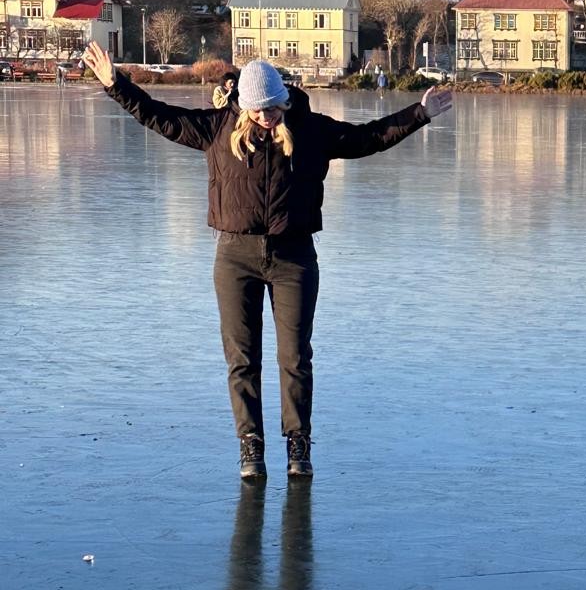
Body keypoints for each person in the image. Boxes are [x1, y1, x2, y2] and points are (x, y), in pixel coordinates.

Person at [83, 43, 451, 479]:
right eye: (257, 110)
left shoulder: (310, 130)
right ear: (243, 106)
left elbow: (367, 138)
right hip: (234, 257)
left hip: (294, 258)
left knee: (295, 357)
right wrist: (115, 84)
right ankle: (250, 444)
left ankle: (298, 442)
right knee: (242, 358)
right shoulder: (215, 130)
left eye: (272, 109)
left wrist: (419, 114)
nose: (265, 117)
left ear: (283, 101)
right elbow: (157, 115)